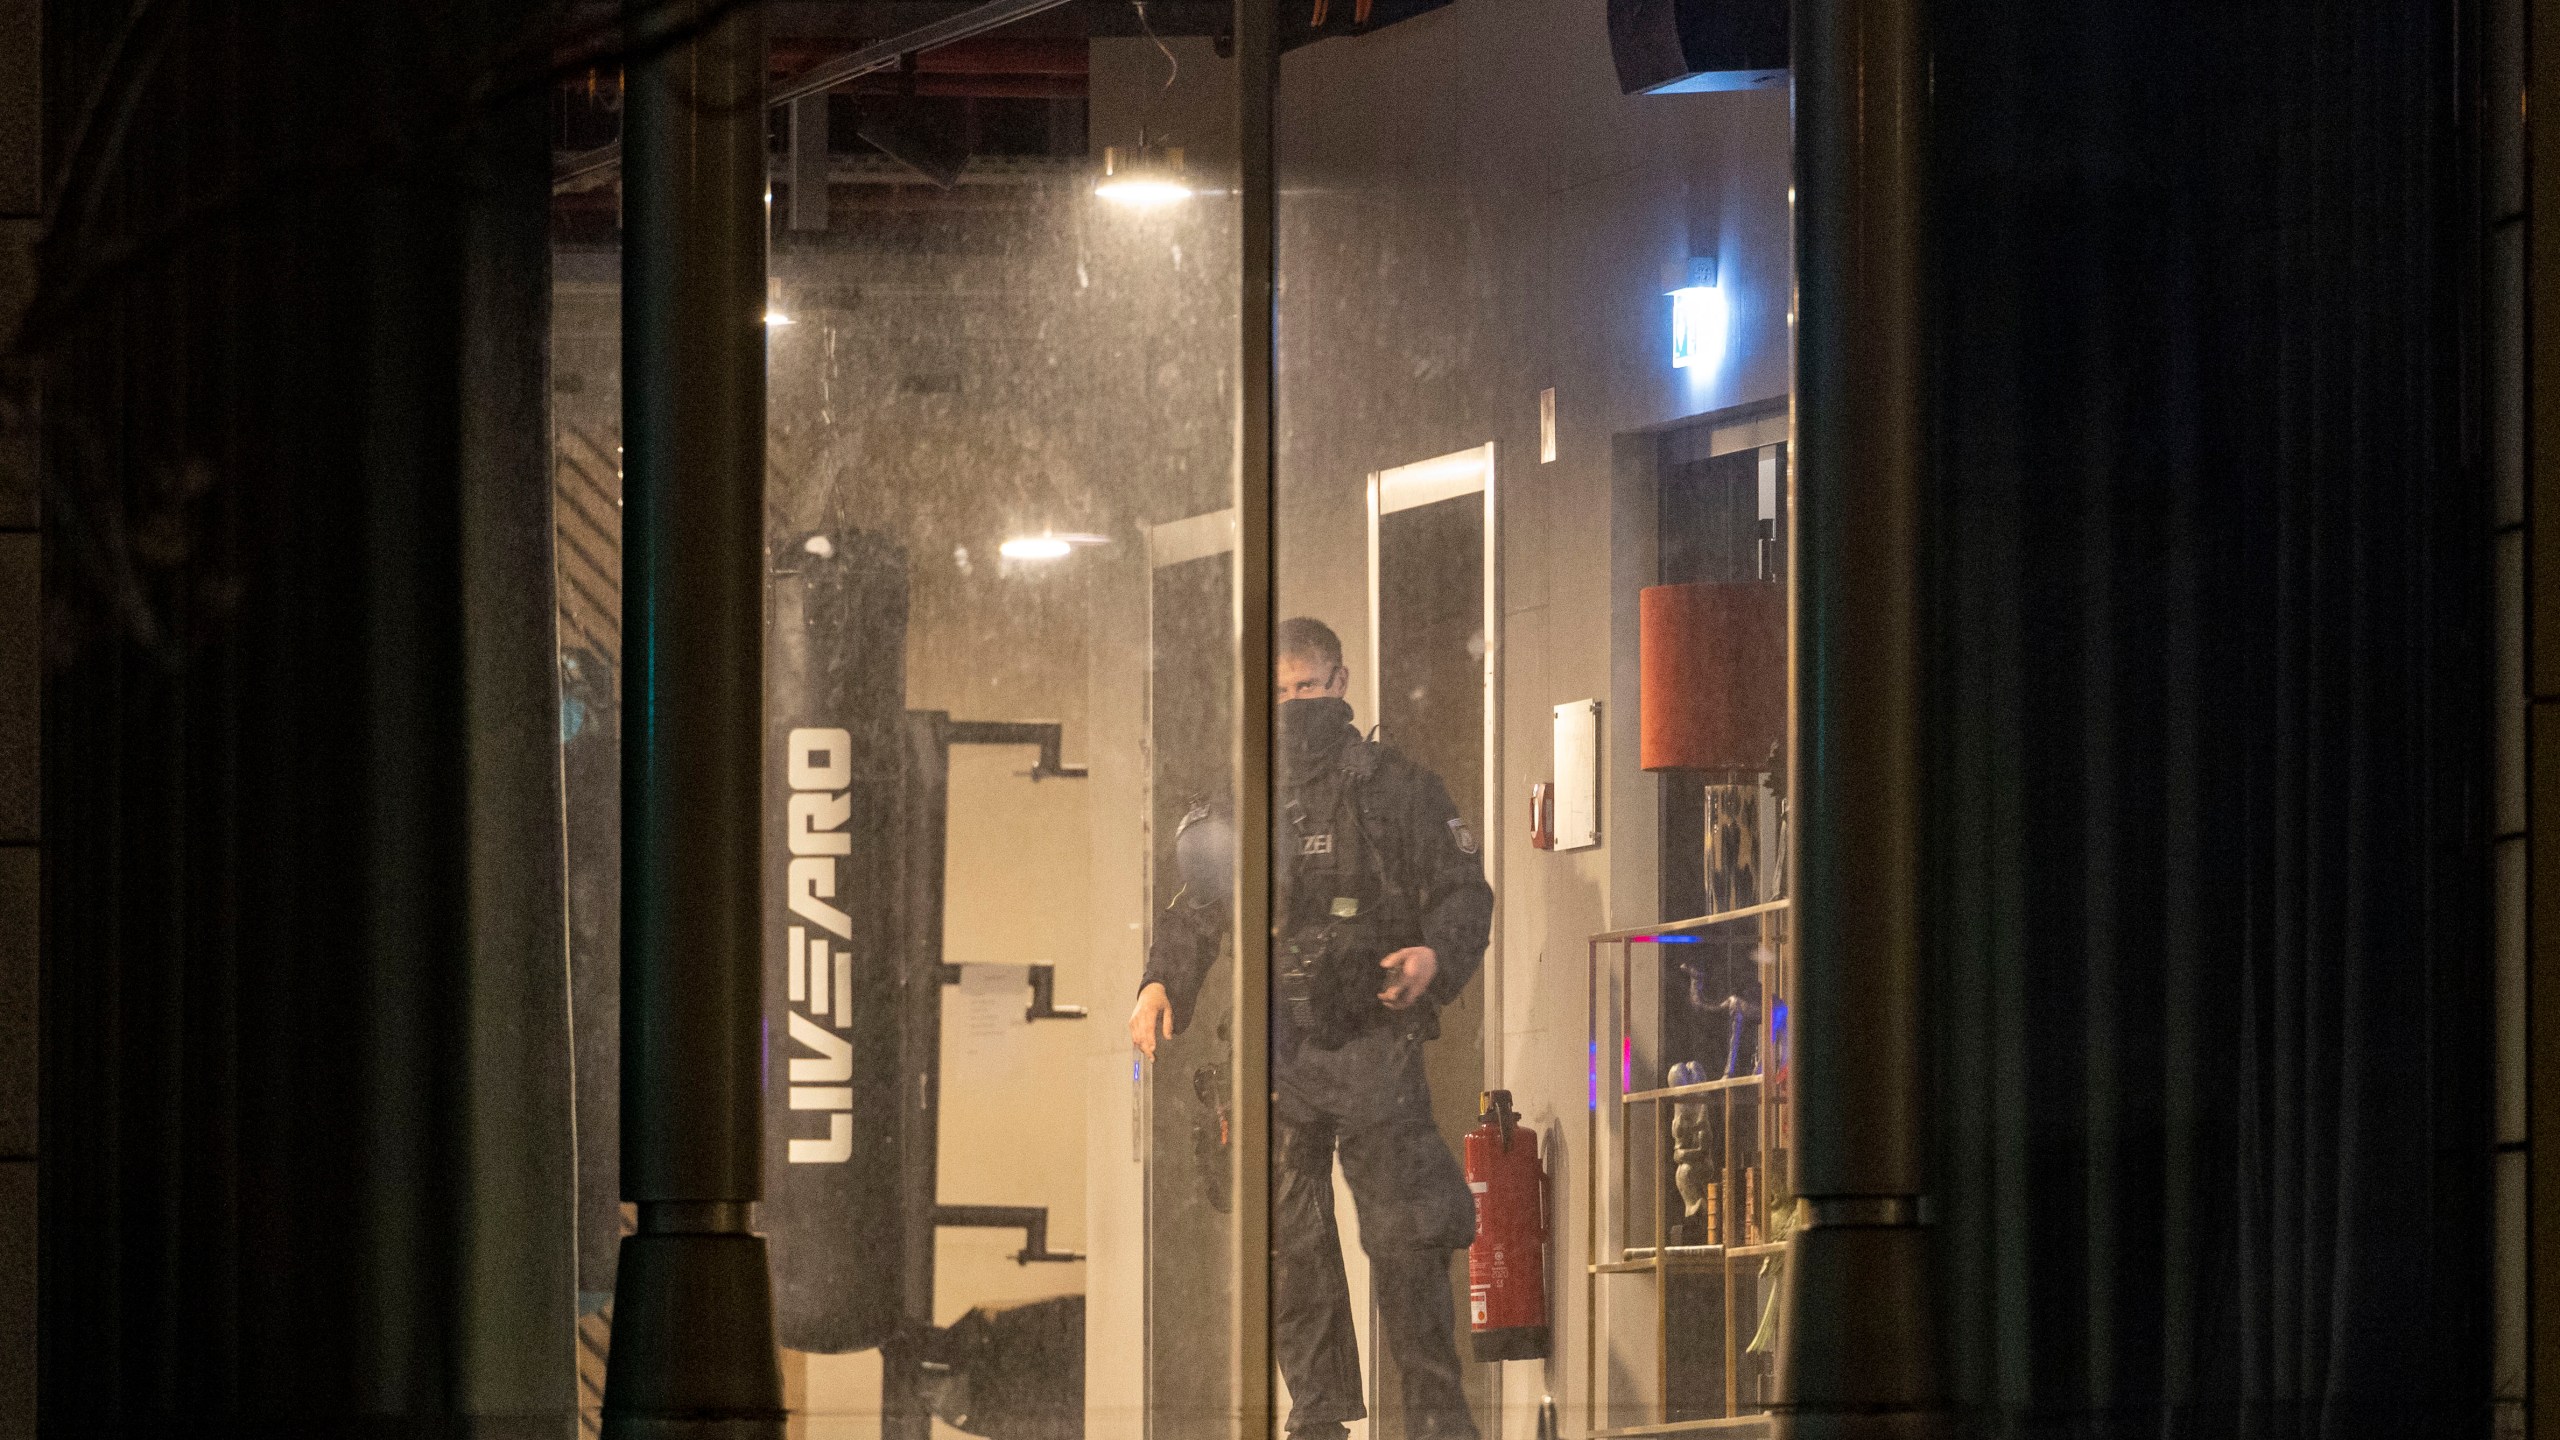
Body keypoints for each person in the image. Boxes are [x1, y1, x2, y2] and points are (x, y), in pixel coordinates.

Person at [1130, 616, 1494, 1440]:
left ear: (1341, 685)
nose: (1297, 704)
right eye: (1282, 691)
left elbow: (1463, 893)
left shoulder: (1397, 789)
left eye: (1310, 687)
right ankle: (1320, 1421)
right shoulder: (1242, 797)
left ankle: (1436, 1424)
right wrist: (1159, 986)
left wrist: (1435, 958)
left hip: (1372, 1039)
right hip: (1277, 1054)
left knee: (1405, 1250)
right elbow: (1197, 913)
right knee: (1292, 1250)